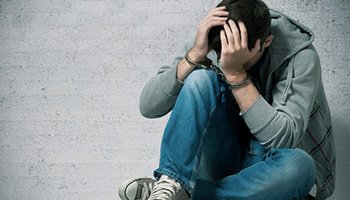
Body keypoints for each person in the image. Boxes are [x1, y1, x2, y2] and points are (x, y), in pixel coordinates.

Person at [119, 0, 335, 199]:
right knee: (200, 78)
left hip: (271, 169)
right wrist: (194, 55)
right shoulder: (213, 40)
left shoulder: (299, 56)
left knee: (300, 165)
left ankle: (182, 195)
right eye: (221, 54)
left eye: (237, 54)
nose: (224, 59)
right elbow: (148, 107)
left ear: (266, 42)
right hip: (222, 157)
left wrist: (236, 74)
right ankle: (172, 183)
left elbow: (282, 139)